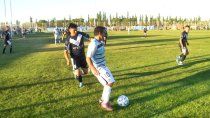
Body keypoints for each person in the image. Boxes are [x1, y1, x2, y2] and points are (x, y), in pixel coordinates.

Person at [86, 26, 115, 111]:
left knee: (108, 83)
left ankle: (103, 100)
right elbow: (88, 57)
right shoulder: (94, 44)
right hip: (98, 68)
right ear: (99, 33)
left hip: (103, 66)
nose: (105, 34)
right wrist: (92, 68)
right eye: (104, 32)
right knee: (110, 82)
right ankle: (104, 103)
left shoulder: (99, 42)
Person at [64, 23, 90, 87]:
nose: (76, 31)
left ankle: (76, 73)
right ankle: (81, 83)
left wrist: (93, 42)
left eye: (76, 29)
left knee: (86, 72)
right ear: (70, 30)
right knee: (78, 72)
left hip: (82, 57)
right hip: (74, 57)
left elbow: (89, 38)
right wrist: (68, 60)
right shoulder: (68, 39)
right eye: (74, 30)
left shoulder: (80, 34)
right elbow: (65, 51)